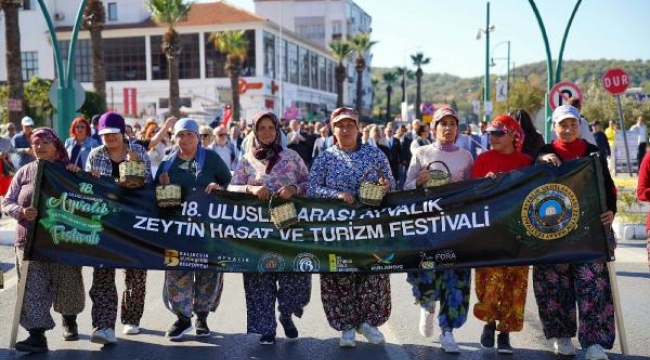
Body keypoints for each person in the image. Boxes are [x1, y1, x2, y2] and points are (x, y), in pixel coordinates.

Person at [533, 105, 616, 360]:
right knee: (554, 286)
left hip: (588, 232)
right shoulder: (544, 153)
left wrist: (611, 211)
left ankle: (594, 342)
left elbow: (608, 187)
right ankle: (562, 336)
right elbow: (529, 190)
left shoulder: (592, 153)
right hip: (553, 234)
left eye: (572, 124)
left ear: (579, 125)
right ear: (554, 127)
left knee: (593, 285)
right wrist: (540, 163)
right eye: (562, 125)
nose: (567, 129)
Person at [307, 107, 395, 348]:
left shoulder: (375, 155)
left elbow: (392, 183)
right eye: (340, 126)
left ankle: (367, 322)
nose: (345, 130)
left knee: (372, 274)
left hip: (370, 228)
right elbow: (311, 188)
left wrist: (385, 185)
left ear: (358, 128)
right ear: (333, 129)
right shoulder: (325, 157)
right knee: (339, 276)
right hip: (336, 230)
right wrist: (337, 195)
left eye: (349, 125)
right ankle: (346, 326)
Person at [228, 111, 311, 345]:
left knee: (295, 279)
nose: (266, 132)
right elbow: (232, 187)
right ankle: (267, 328)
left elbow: (309, 183)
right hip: (257, 233)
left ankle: (286, 315)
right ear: (254, 132)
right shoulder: (246, 160)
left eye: (271, 128)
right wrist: (250, 189)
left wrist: (294, 188)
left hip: (290, 230)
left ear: (278, 131)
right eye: (261, 128)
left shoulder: (291, 156)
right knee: (259, 279)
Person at [2, 127, 85, 353]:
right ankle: (36, 336)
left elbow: (84, 198)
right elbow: (7, 201)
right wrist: (21, 211)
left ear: (56, 146)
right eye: (35, 143)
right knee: (32, 288)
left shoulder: (67, 171)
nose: (39, 147)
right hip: (29, 240)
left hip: (63, 239)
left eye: (44, 142)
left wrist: (77, 175)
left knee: (68, 282)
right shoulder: (24, 172)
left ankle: (70, 320)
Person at [403, 107, 473, 354]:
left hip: (456, 228)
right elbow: (406, 187)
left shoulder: (466, 157)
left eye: (452, 123)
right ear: (434, 128)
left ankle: (448, 331)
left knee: (455, 279)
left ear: (458, 128)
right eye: (443, 123)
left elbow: (474, 191)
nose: (448, 128)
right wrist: (418, 182)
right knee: (426, 275)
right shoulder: (421, 153)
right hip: (427, 228)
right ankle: (427, 305)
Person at [156, 118, 231, 340]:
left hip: (209, 230)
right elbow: (154, 198)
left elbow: (229, 183)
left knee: (209, 273)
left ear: (198, 136)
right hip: (178, 231)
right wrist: (162, 186)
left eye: (190, 134)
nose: (185, 139)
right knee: (177, 273)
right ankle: (182, 319)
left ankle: (202, 318)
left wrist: (218, 188)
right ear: (174, 137)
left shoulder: (212, 159)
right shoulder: (167, 163)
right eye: (180, 134)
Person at [82, 112, 153, 344]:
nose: (110, 138)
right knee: (102, 273)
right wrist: (90, 179)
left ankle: (131, 318)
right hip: (103, 224)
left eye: (113, 133)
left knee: (136, 274)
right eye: (105, 134)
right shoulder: (94, 154)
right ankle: (103, 326)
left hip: (134, 223)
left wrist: (135, 165)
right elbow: (86, 190)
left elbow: (148, 186)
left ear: (122, 132)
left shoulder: (139, 151)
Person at [471, 115, 533, 354]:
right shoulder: (483, 159)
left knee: (515, 282)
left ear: (513, 136)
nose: (492, 137)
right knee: (488, 279)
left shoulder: (527, 162)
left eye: (498, 133)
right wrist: (483, 185)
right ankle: (488, 323)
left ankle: (505, 333)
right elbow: (471, 195)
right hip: (489, 232)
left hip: (518, 233)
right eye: (491, 133)